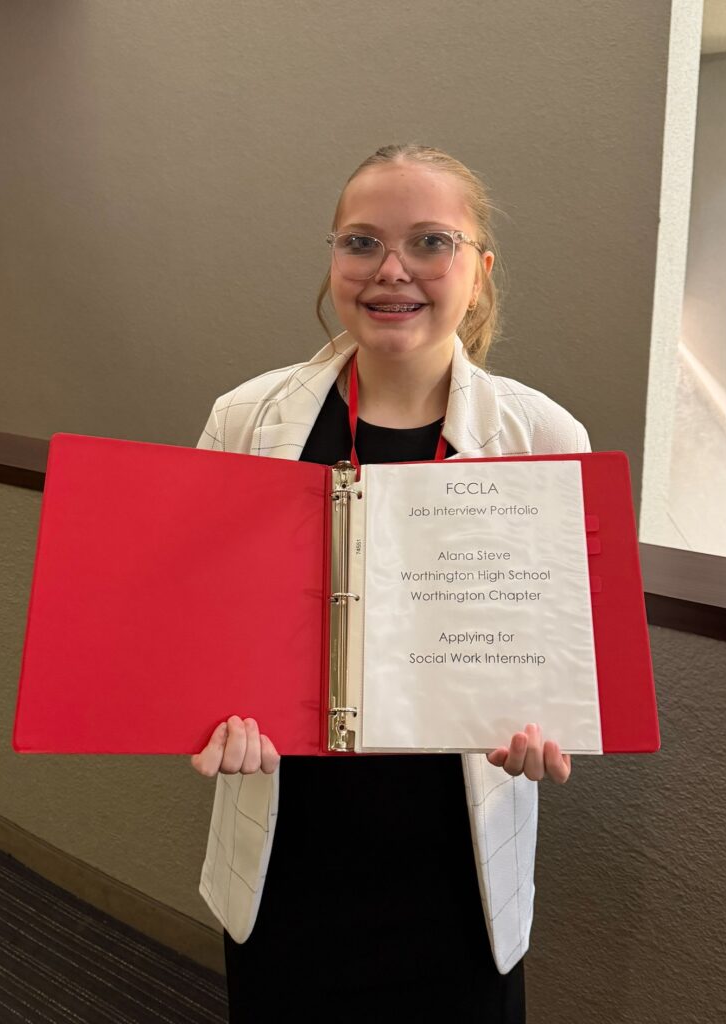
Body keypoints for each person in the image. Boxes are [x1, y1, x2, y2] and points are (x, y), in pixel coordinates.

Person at [191, 142, 589, 1023]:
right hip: (288, 851)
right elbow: (200, 627)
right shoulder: (246, 420)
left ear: (479, 271)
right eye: (361, 242)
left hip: (458, 869)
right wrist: (202, 708)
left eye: (431, 243)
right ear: (333, 258)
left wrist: (549, 730)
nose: (391, 271)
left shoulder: (544, 436)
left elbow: (566, 654)